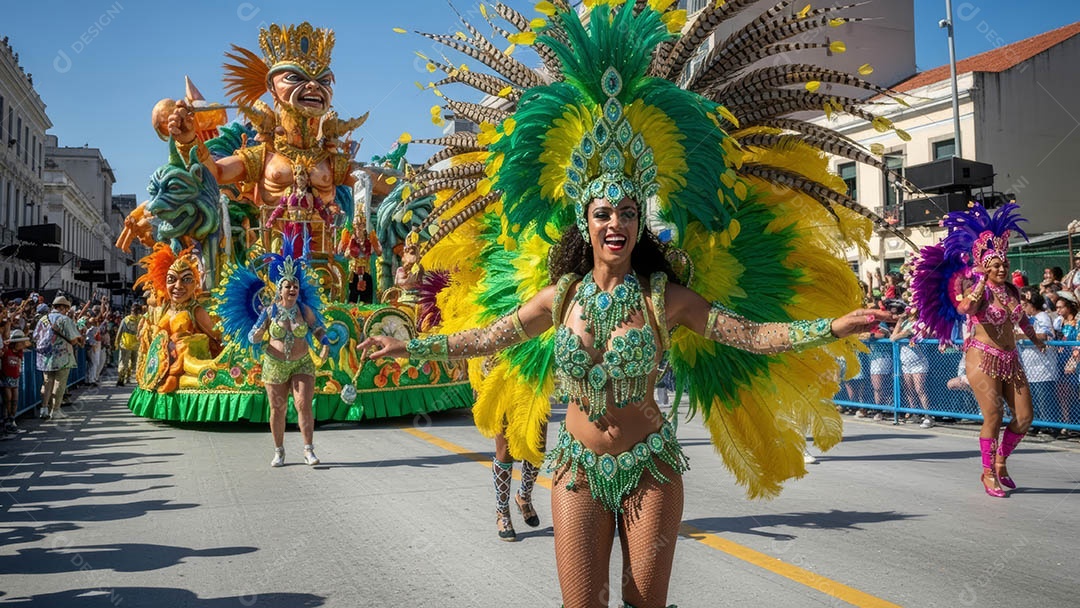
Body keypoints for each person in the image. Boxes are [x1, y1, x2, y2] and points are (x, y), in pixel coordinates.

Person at [911, 203, 1045, 498]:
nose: (1002, 267)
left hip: (1011, 359)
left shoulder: (1011, 291)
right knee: (994, 413)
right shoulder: (979, 289)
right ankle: (987, 473)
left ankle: (1001, 462)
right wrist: (980, 281)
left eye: (1003, 263)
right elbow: (965, 308)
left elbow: (1021, 317)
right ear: (984, 264)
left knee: (1024, 417)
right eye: (995, 264)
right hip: (981, 357)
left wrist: (1036, 339)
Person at [248, 252, 330, 467]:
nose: (292, 289)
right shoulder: (269, 311)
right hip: (274, 365)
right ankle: (279, 451)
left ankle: (308, 450)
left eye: (295, 286)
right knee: (278, 408)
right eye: (288, 286)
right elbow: (254, 333)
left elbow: (318, 328)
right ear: (280, 289)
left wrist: (325, 342)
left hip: (302, 361)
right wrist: (256, 336)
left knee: (303, 404)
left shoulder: (304, 310)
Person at [33, 296, 84, 420]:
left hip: (45, 356)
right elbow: (73, 338)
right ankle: (55, 410)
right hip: (62, 356)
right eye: (66, 308)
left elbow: (35, 336)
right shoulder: (65, 319)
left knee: (47, 382)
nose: (67, 310)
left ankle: (44, 409)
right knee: (59, 383)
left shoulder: (43, 319)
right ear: (63, 307)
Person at [890, 307, 933, 428]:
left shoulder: (919, 323)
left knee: (920, 389)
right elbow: (892, 337)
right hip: (906, 362)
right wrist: (899, 321)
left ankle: (928, 416)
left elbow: (903, 335)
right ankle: (915, 413)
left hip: (918, 362)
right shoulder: (904, 323)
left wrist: (902, 334)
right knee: (909, 389)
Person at [2, 329, 32, 434]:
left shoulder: (19, 352)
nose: (23, 344)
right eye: (20, 342)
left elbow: (29, 343)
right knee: (8, 399)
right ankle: (6, 419)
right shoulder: (6, 350)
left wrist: (23, 338)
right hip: (6, 378)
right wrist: (8, 341)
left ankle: (12, 418)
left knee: (15, 399)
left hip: (15, 378)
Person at [115, 305, 141, 387]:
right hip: (136, 345)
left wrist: (116, 343)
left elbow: (119, 332)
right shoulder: (141, 320)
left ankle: (121, 380)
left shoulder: (125, 320)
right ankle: (128, 377)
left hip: (125, 345)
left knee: (123, 362)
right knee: (133, 363)